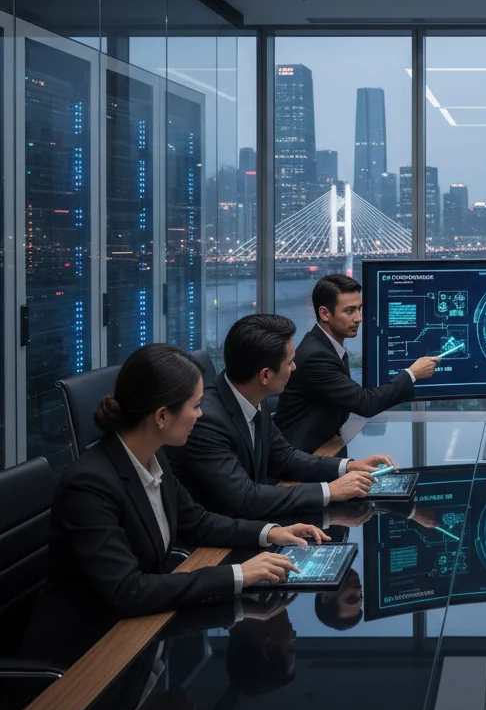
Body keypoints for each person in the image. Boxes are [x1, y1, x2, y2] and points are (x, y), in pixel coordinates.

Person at [20, 344, 328, 667]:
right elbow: (129, 590)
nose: (202, 413)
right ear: (162, 416)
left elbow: (197, 522)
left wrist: (271, 533)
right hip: (84, 660)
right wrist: (237, 574)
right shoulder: (89, 486)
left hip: (134, 635)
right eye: (195, 406)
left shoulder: (153, 455)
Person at [169, 314, 398, 520]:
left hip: (253, 521)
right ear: (265, 375)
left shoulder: (252, 396)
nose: (294, 368)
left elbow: (284, 457)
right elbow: (245, 498)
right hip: (217, 543)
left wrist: (348, 467)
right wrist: (330, 491)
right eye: (289, 362)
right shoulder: (206, 420)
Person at [276, 274, 440, 453]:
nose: (358, 318)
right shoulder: (316, 355)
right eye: (349, 311)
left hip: (323, 447)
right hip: (301, 460)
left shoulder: (325, 345)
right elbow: (365, 404)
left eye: (359, 309)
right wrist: (412, 374)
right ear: (325, 314)